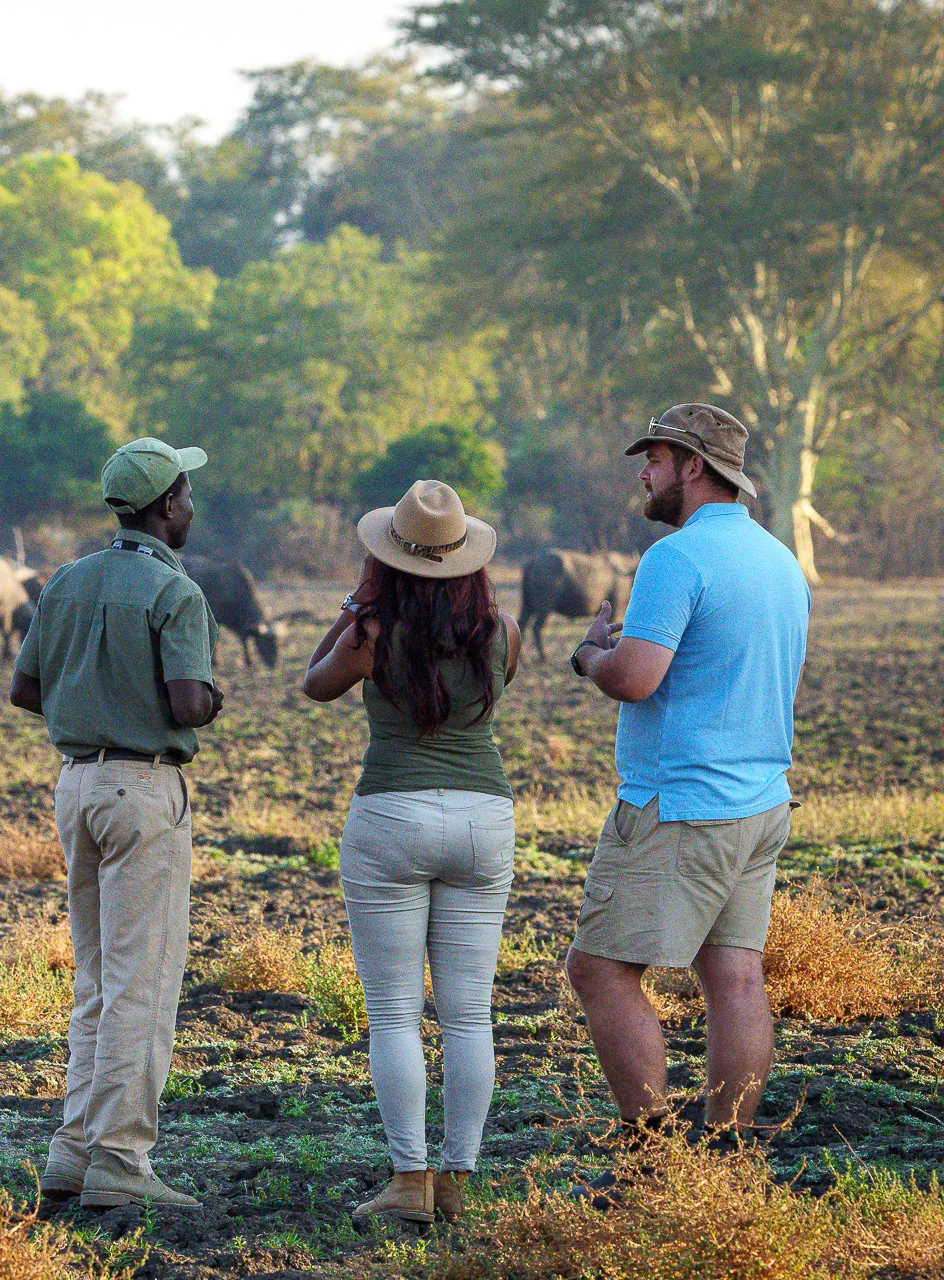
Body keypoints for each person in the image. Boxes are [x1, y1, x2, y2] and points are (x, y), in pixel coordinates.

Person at [564, 404, 810, 1180]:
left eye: (656, 458)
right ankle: (728, 1152)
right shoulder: (779, 561)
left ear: (692, 466)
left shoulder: (676, 557)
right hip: (762, 801)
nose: (644, 471)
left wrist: (590, 655)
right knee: (734, 977)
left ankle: (649, 1159)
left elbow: (637, 678)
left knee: (599, 970)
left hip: (682, 804)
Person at [8, 437, 222, 1210]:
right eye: (187, 494)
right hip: (143, 790)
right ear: (167, 505)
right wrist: (211, 703)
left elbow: (25, 691)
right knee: (145, 981)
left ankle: (72, 1150)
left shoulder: (66, 581)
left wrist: (89, 699)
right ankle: (122, 1160)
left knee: (97, 980)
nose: (192, 506)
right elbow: (189, 703)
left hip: (76, 787)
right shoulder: (177, 594)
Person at [302, 479, 521, 1226]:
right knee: (469, 1016)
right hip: (482, 818)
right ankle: (457, 1180)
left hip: (390, 813)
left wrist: (356, 606)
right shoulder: (505, 632)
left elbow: (313, 684)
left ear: (387, 561)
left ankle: (409, 1182)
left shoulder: (368, 635)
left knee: (394, 1014)